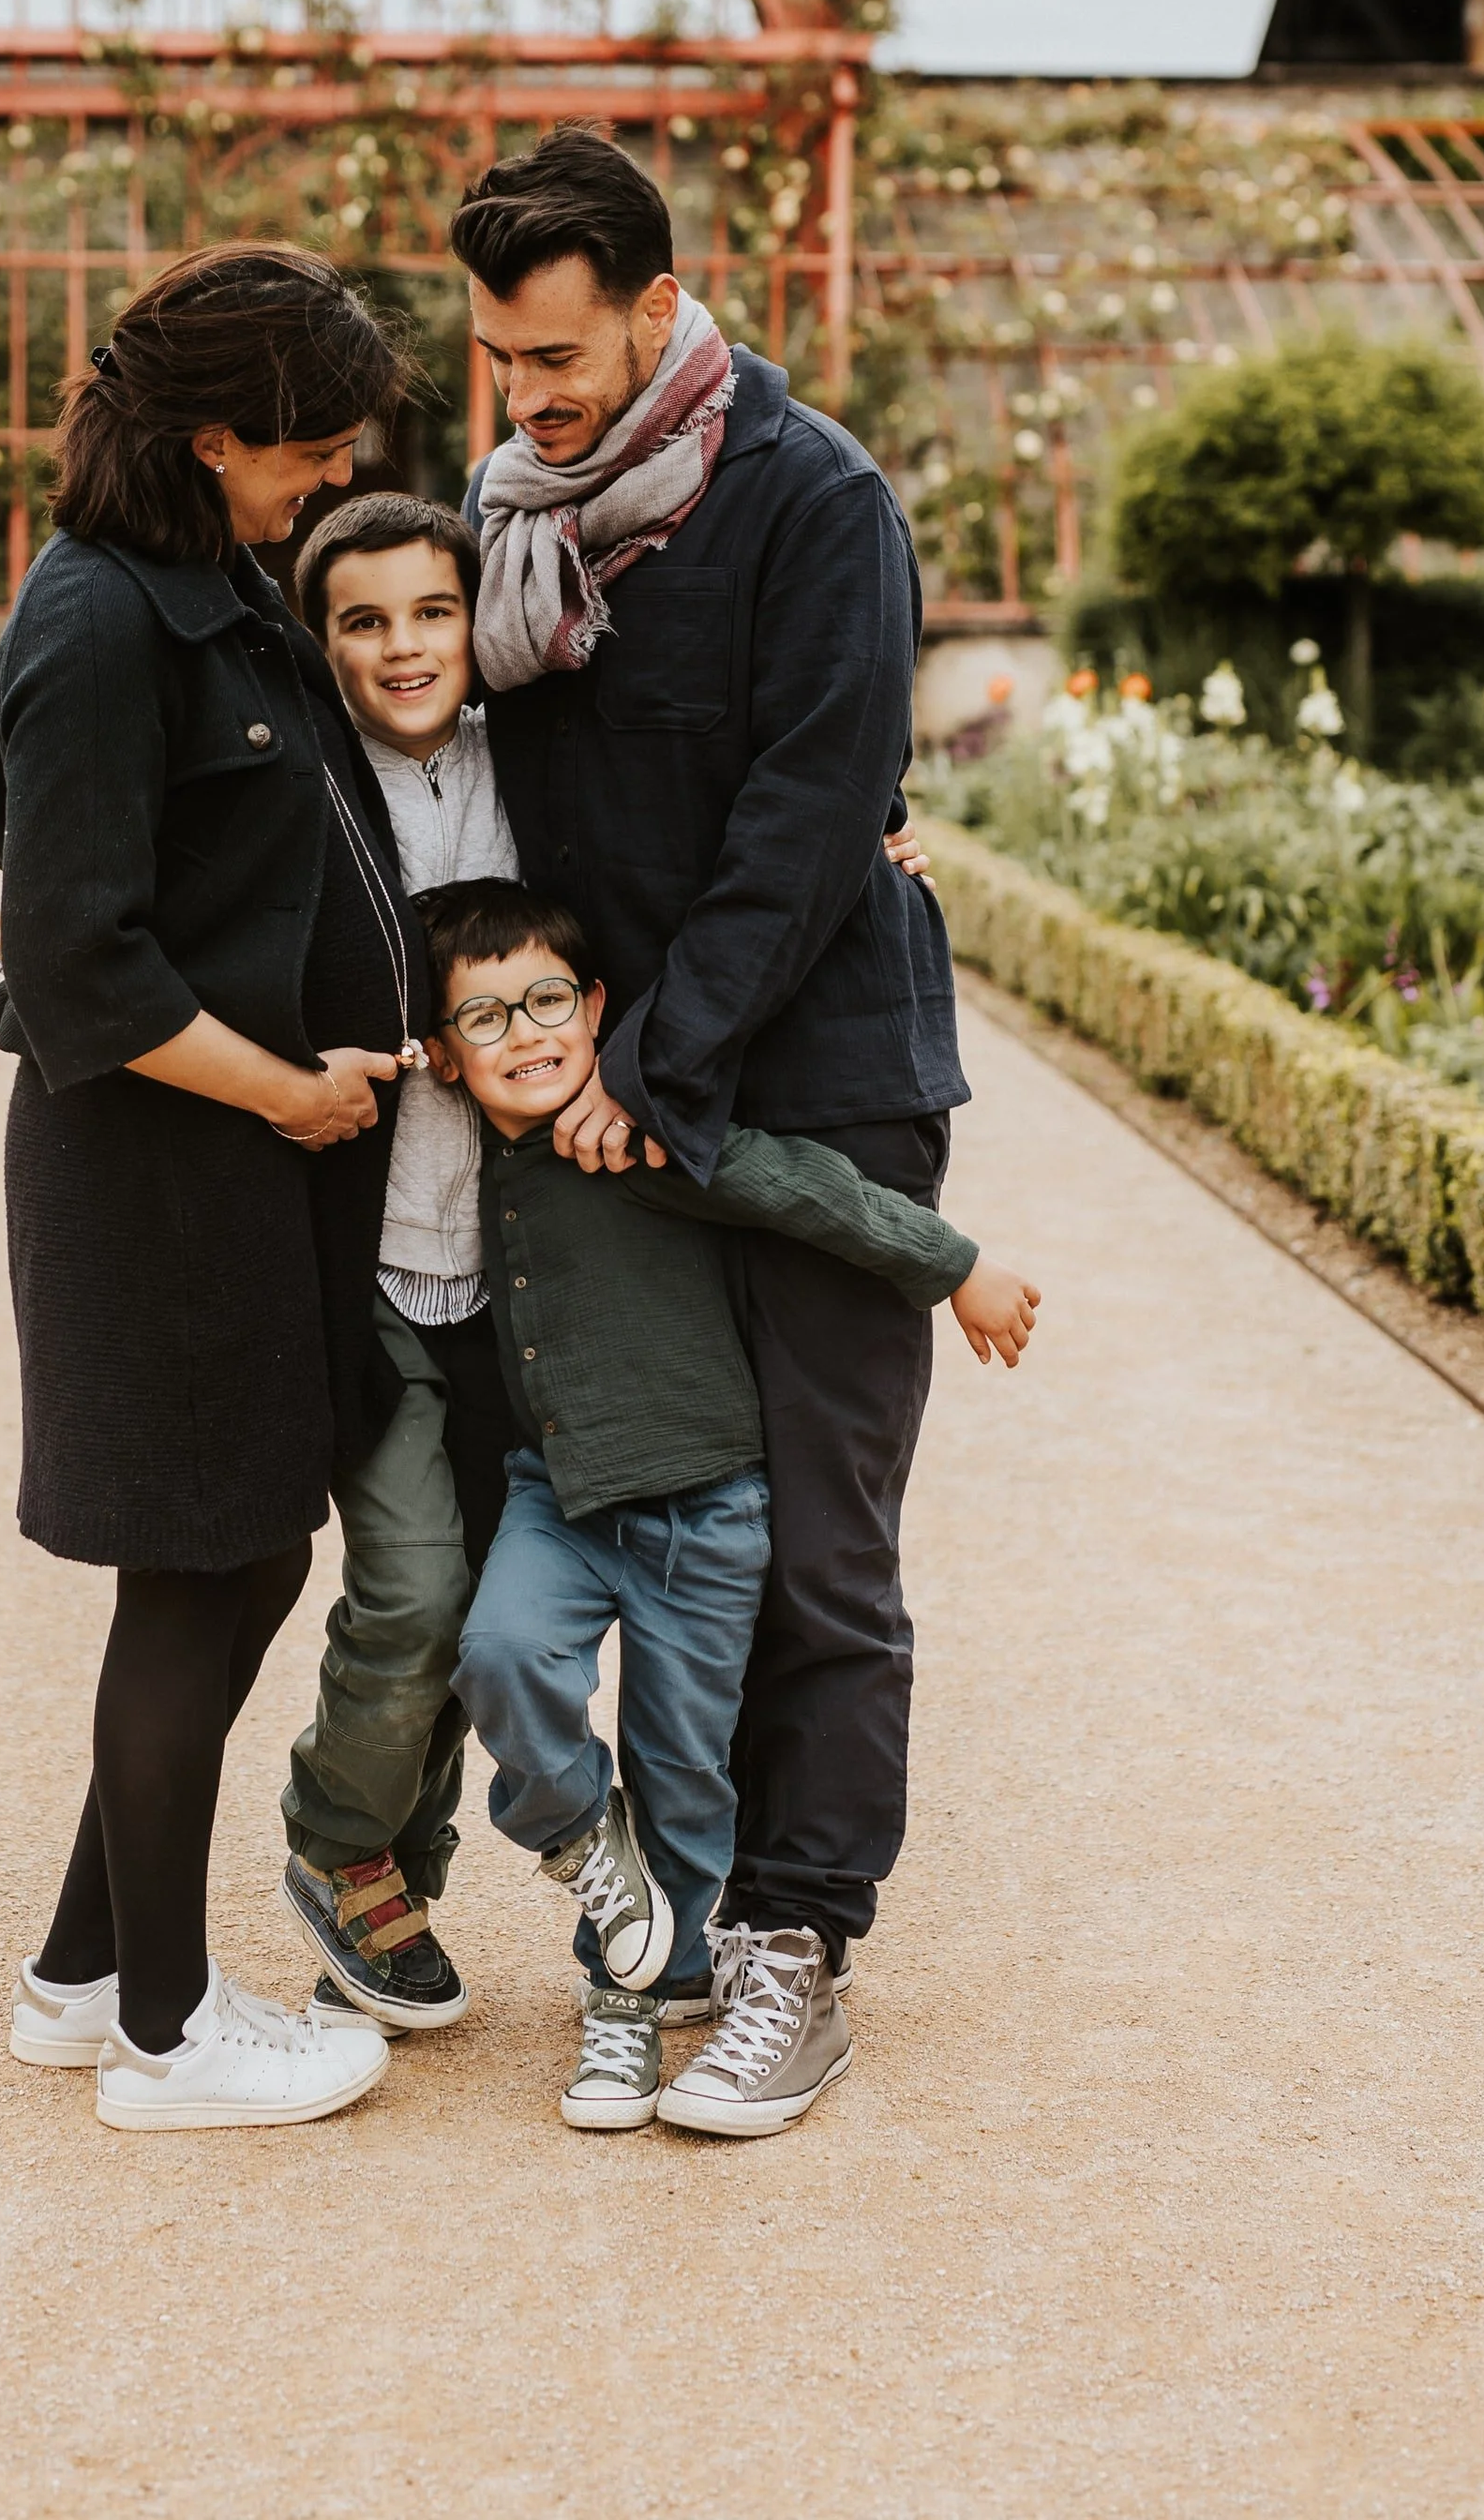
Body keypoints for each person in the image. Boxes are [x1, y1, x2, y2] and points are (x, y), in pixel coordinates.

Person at [457, 122, 974, 2137]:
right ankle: (672, 1911)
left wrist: (640, 1071)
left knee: (824, 1543)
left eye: (557, 356)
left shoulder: (812, 499)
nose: (525, 398)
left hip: (815, 1081)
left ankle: (792, 1948)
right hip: (622, 1099)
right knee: (657, 1510)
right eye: (500, 359)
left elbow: (807, 824)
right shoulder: (522, 515)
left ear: (661, 307)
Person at [0, 243, 421, 2136]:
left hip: (247, 1172)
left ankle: (84, 1973)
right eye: (308, 451)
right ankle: (165, 2036)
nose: (329, 481)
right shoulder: (91, 627)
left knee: (244, 1544)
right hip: (166, 1172)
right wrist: (292, 1094)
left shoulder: (204, 586)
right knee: (204, 1556)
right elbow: (76, 963)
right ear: (215, 435)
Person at [424, 878, 1038, 2134]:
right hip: (562, 1497)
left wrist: (957, 1264)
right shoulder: (458, 1152)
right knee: (497, 1654)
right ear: (441, 1056)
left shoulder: (636, 1137)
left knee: (684, 1768)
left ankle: (634, 2003)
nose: (526, 1035)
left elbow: (806, 1189)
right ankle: (585, 1851)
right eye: (484, 1020)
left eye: (548, 1001)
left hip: (707, 1508)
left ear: (598, 1009)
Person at [274, 491, 520, 2028]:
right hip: (366, 1260)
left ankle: (393, 1879)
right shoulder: (298, 788)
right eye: (362, 620)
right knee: (414, 1584)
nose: (403, 645)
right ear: (322, 643)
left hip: (521, 1269)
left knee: (488, 1605)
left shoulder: (533, 766)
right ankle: (337, 1839)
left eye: (431, 611)